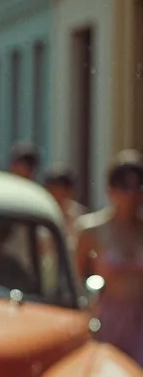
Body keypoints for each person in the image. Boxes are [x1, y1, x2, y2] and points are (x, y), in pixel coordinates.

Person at [75, 150, 143, 365]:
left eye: (138, 187)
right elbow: (75, 281)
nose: (131, 195)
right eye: (124, 187)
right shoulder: (92, 230)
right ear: (111, 190)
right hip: (105, 321)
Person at [43, 164, 86, 250]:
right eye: (53, 191)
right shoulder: (41, 213)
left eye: (62, 191)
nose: (58, 196)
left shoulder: (80, 217)